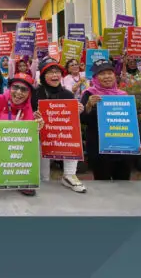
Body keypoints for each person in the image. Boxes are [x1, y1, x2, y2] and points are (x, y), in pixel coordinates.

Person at [80, 58, 141, 180]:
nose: (107, 76)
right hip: (100, 149)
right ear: (95, 78)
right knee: (103, 185)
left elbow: (133, 120)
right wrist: (88, 106)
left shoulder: (123, 95)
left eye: (109, 73)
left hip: (123, 149)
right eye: (102, 74)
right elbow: (83, 120)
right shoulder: (89, 94)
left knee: (123, 185)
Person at [33, 57, 87, 193]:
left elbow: (72, 120)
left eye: (57, 72)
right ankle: (43, 179)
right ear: (43, 75)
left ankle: (69, 175)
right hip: (42, 136)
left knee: (74, 137)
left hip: (63, 136)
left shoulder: (68, 94)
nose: (54, 75)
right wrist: (34, 116)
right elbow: (28, 114)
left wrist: (78, 112)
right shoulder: (35, 94)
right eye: (50, 72)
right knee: (43, 174)